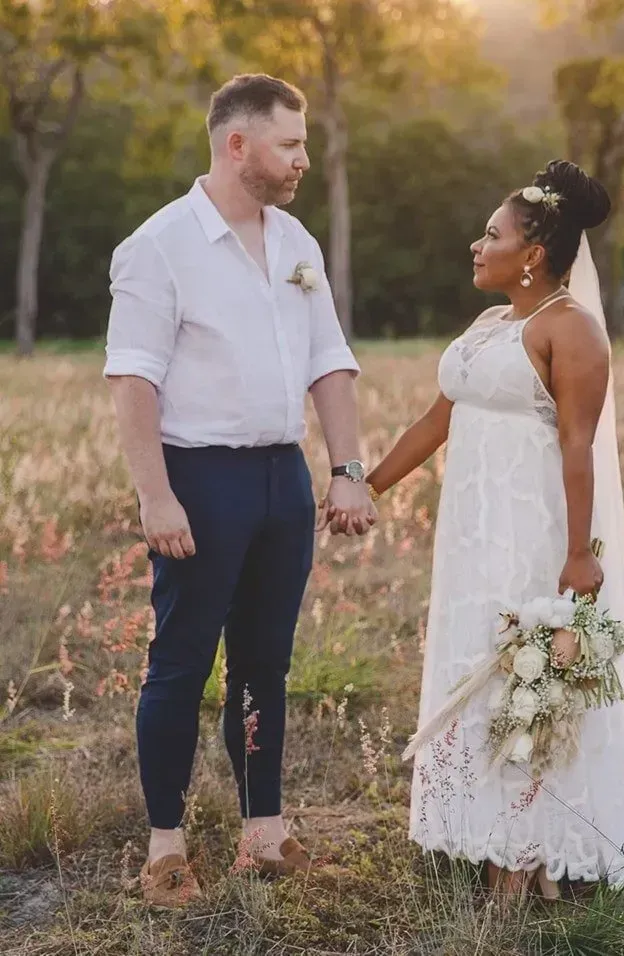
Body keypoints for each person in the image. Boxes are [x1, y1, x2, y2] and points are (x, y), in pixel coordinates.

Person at [103, 73, 376, 908]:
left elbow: (330, 360)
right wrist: (157, 497)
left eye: (303, 144)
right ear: (238, 145)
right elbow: (133, 383)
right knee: (180, 664)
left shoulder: (296, 240)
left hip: (281, 480)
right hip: (200, 479)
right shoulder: (159, 245)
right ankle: (164, 849)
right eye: (290, 145)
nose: (303, 159)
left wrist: (346, 469)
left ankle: (263, 834)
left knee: (266, 663)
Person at [366, 160, 624, 899]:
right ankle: (486, 830)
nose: (475, 244)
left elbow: (579, 446)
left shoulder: (573, 330)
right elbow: (437, 420)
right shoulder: (493, 322)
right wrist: (365, 488)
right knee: (473, 661)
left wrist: (578, 555)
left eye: (491, 234)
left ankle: (522, 858)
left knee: (526, 670)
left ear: (531, 254)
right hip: (469, 532)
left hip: (532, 527)